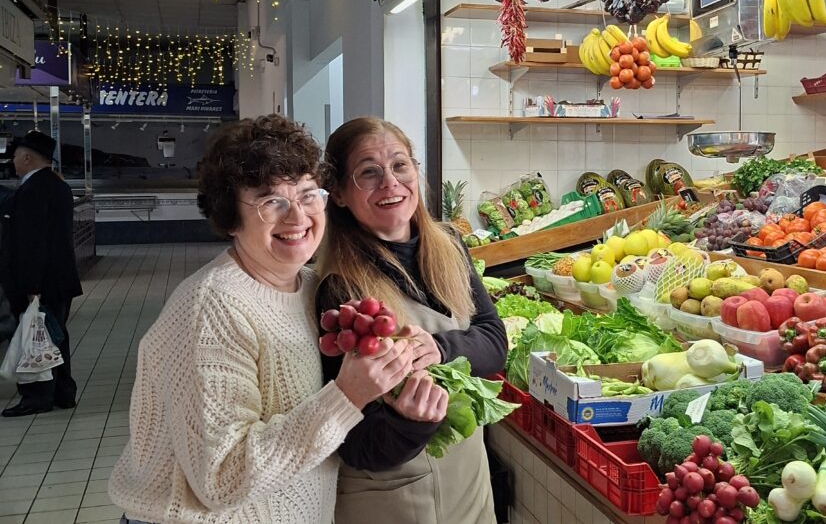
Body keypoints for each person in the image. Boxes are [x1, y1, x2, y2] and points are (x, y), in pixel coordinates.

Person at [108, 115, 416, 524]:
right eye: (272, 201)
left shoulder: (309, 286)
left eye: (308, 195)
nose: (297, 217)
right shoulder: (213, 308)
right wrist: (347, 396)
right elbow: (221, 478)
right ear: (230, 215)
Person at [317, 117, 507, 524]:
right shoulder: (341, 292)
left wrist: (440, 348)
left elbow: (494, 342)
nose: (390, 183)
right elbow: (352, 441)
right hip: (395, 499)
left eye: (400, 165)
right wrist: (409, 422)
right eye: (369, 172)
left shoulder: (450, 245)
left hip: (470, 484)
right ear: (339, 193)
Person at [0, 129, 81, 417]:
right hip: (60, 277)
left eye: (15, 157)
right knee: (55, 335)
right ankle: (63, 392)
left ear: (26, 157)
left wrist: (31, 285)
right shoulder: (58, 185)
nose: (12, 162)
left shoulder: (33, 190)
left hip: (41, 280)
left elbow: (33, 242)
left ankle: (37, 396)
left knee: (35, 337)